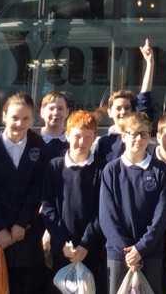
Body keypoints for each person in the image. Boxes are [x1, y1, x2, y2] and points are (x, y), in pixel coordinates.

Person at [0, 92, 48, 294]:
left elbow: (38, 188)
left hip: (27, 235)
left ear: (33, 119)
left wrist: (21, 223)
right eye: (15, 118)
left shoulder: (38, 145)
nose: (19, 123)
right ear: (4, 116)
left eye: (26, 118)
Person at [99, 112, 166, 294]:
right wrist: (128, 252)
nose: (139, 139)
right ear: (124, 136)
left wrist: (140, 249)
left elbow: (162, 215)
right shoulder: (111, 170)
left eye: (144, 134)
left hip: (150, 253)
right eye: (134, 133)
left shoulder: (159, 170)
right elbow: (107, 217)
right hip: (119, 255)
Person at [40, 110, 106, 294]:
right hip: (62, 248)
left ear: (94, 138)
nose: (82, 142)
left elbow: (103, 211)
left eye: (88, 137)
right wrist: (62, 242)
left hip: (91, 248)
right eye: (77, 136)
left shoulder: (101, 170)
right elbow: (47, 206)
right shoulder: (55, 166)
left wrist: (85, 244)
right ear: (67, 135)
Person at [93, 39, 156, 166]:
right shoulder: (103, 142)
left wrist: (150, 63)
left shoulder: (140, 136)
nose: (123, 112)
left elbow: (144, 94)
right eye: (118, 108)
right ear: (109, 112)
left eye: (127, 108)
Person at [40, 90, 73, 160]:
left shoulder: (73, 141)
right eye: (51, 108)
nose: (56, 113)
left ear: (67, 112)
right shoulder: (31, 140)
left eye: (60, 109)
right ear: (42, 112)